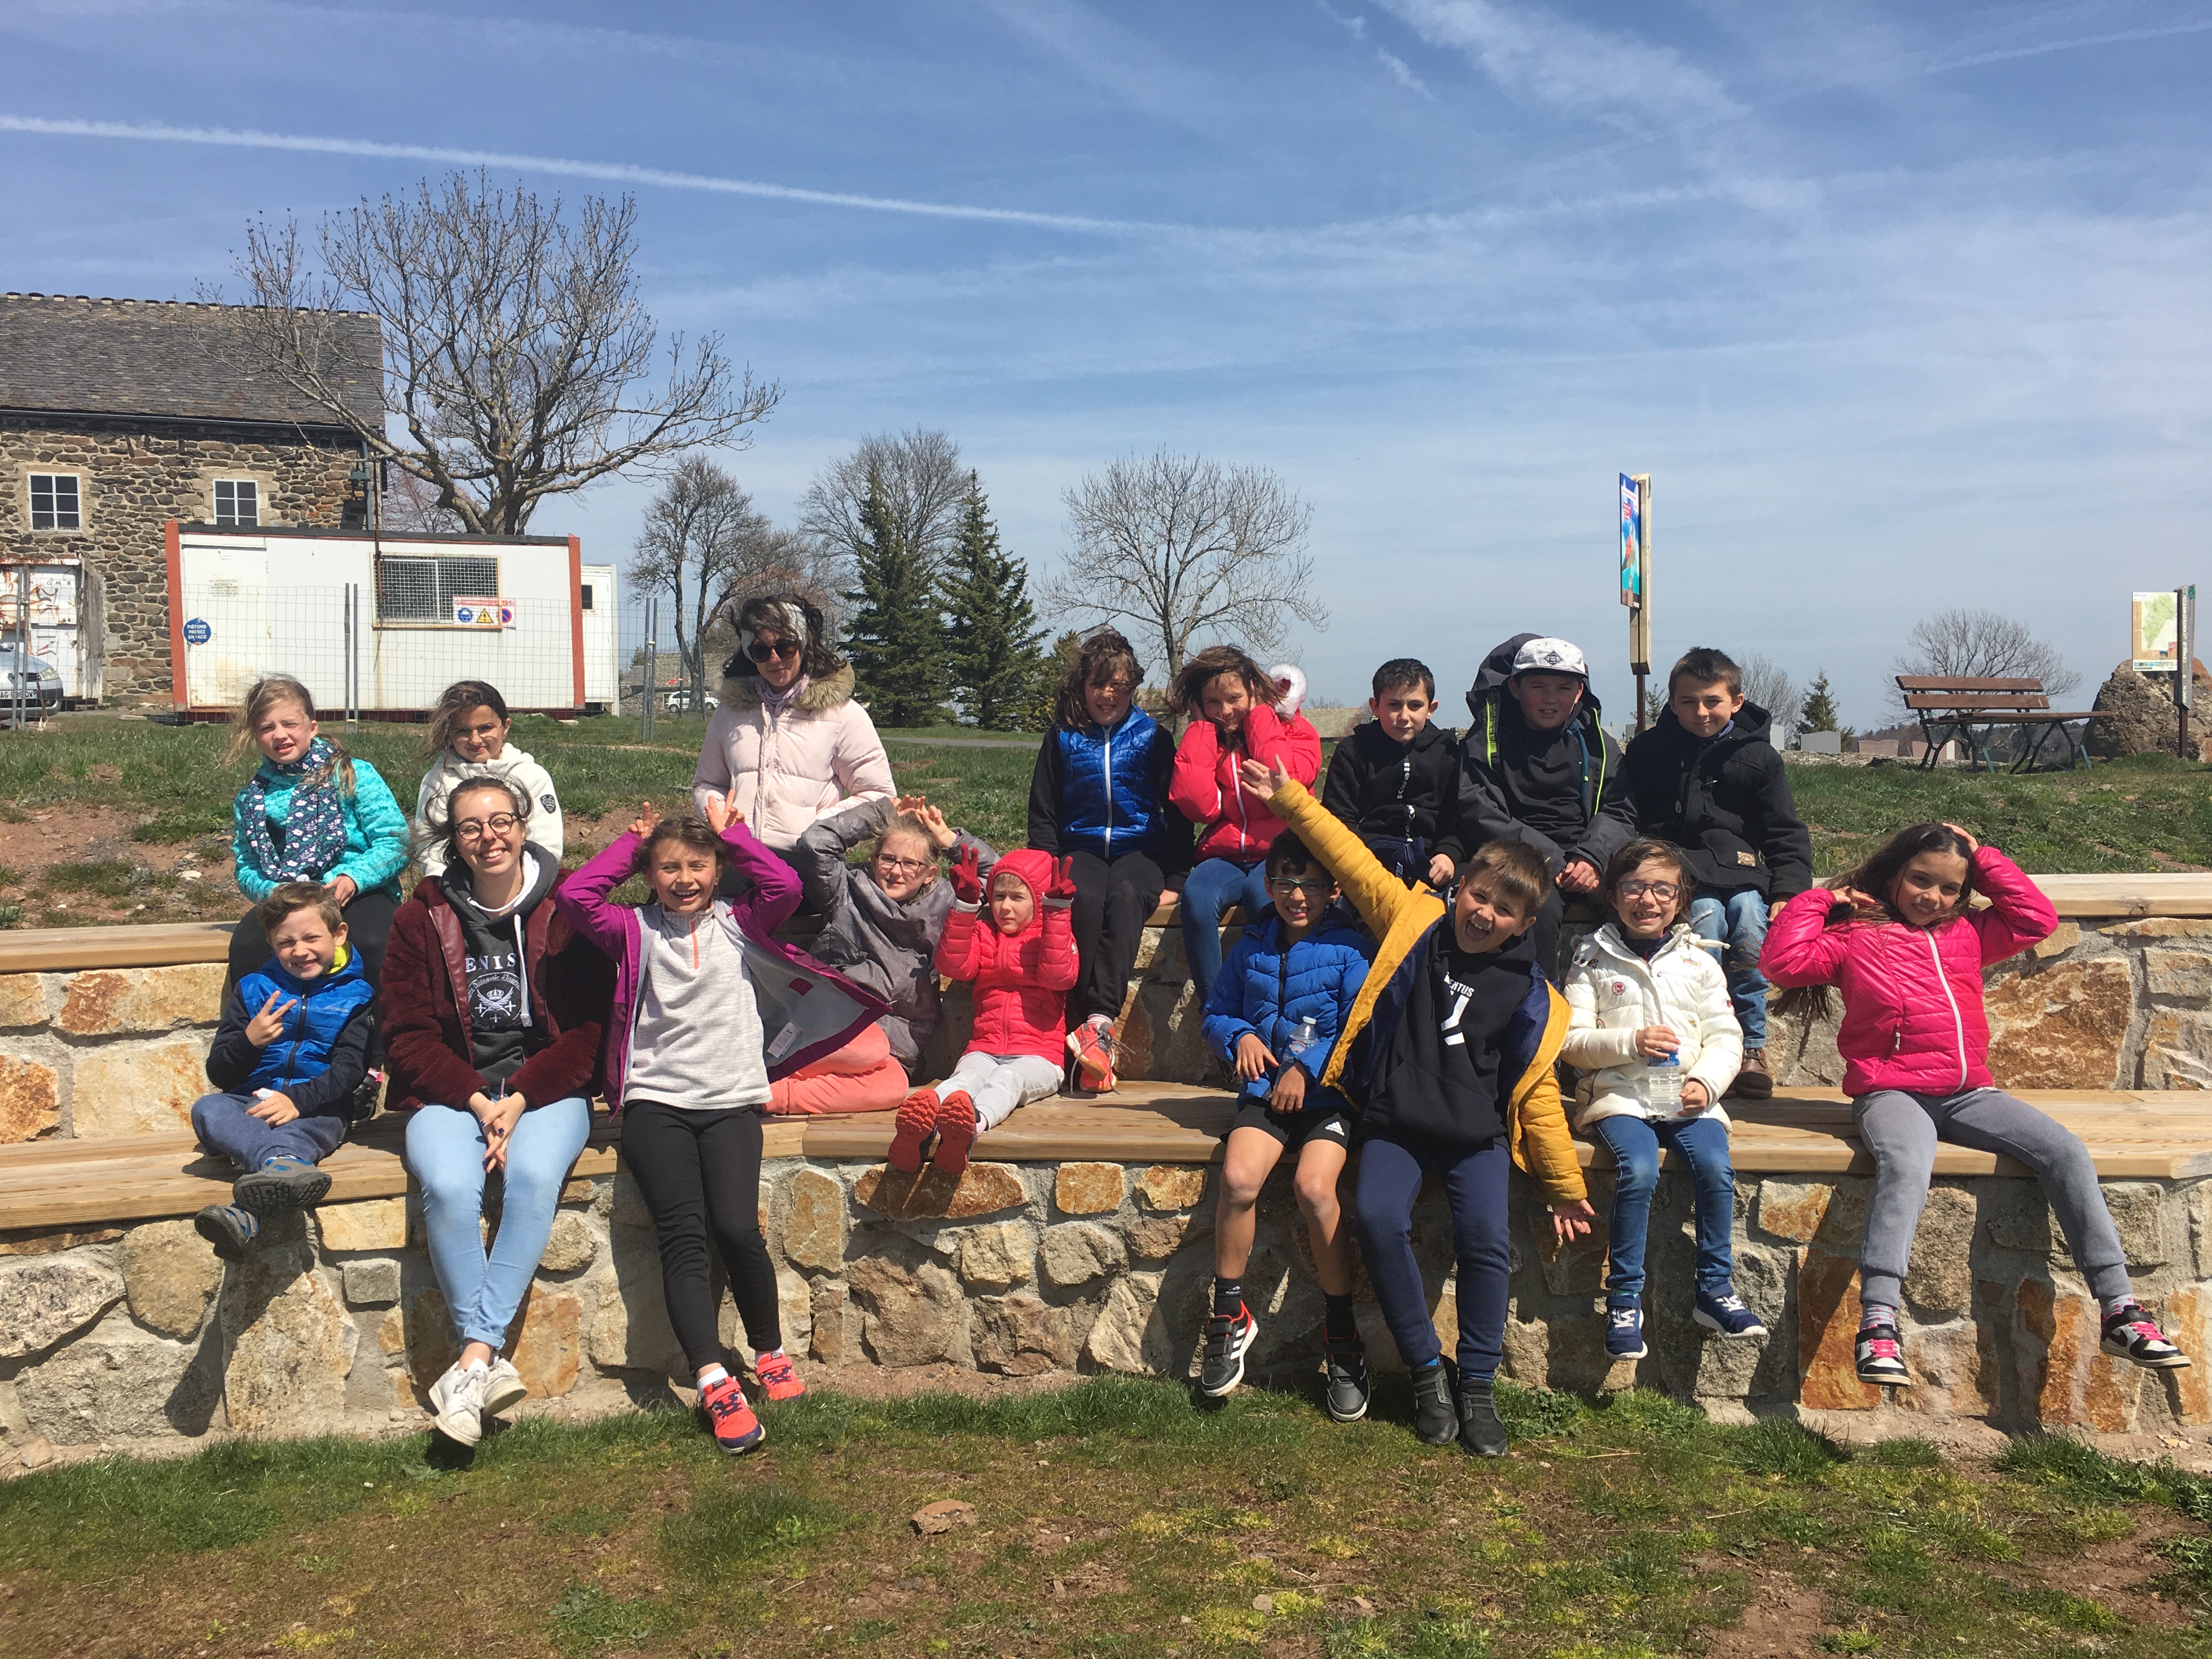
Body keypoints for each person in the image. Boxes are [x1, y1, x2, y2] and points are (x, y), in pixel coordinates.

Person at [1240, 754, 1595, 1455]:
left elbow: (1541, 1096)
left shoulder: (1533, 998)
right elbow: (1350, 858)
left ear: (1525, 926)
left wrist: (1562, 1183)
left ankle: (1480, 1385)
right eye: (1479, 896)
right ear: (1459, 887)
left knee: (1487, 1244)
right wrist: (1289, 798)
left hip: (1475, 1139)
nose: (1485, 914)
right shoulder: (1413, 924)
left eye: (1505, 909)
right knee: (1374, 1217)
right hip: (1394, 1125)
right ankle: (1428, 1373)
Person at [1762, 822, 2190, 1386]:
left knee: (2064, 1150)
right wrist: (1821, 900)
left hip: (1969, 1094)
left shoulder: (1969, 933)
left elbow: (2037, 918)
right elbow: (1783, 964)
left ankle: (2120, 1309)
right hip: (1892, 1093)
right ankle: (1878, 1323)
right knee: (1909, 1164)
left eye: (1948, 889)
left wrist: (1982, 856)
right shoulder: (1856, 937)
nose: (1932, 897)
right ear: (1894, 875)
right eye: (1920, 881)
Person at [556, 797, 884, 1454]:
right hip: (657, 1104)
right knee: (684, 1237)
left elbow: (785, 885)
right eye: (669, 867)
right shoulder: (633, 928)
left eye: (698, 865)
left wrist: (735, 836)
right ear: (650, 875)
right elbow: (575, 896)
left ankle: (769, 1354)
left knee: (737, 1228)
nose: (684, 878)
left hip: (733, 1100)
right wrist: (631, 842)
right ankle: (713, 1379)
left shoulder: (741, 921)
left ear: (716, 868)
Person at [386, 776, 612, 1448]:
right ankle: (484, 1360)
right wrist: (483, 1101)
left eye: (501, 821)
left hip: (545, 1092)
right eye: (470, 827)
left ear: (524, 825)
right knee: (452, 1186)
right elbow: (407, 1036)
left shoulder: (568, 911)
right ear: (451, 840)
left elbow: (589, 1031)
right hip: (452, 1093)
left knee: (534, 1179)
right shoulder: (417, 918)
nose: (489, 837)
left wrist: (518, 1100)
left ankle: (469, 1365)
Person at [1561, 839, 1764, 1362]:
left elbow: (1726, 1034)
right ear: (1613, 894)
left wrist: (1709, 1082)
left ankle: (1715, 1289)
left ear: (1680, 899)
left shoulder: (1700, 961)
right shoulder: (1591, 959)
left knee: (1716, 1166)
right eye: (1634, 887)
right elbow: (1571, 1042)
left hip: (1688, 1096)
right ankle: (1624, 1298)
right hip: (1620, 1095)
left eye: (1662, 889)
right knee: (1640, 1169)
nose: (1647, 900)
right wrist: (1629, 1043)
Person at [1197, 831, 1375, 1416]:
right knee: (1240, 1181)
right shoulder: (1249, 947)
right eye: (1286, 883)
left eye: (1312, 884)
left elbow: (1357, 1027)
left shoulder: (1351, 949)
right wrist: (1239, 1035)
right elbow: (1216, 1012)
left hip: (1326, 1099)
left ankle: (1342, 1337)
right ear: (1268, 886)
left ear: (1334, 889)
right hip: (1263, 1093)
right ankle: (1229, 1315)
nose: (1298, 895)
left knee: (1314, 1190)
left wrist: (1307, 1068)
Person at [1624, 647, 1812, 1101]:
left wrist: (1789, 891)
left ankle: (1751, 1047)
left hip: (1741, 871)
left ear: (1737, 702)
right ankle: (1704, 1046)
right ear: (1670, 703)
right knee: (1705, 920)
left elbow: (1784, 831)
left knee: (1749, 920)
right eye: (1688, 701)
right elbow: (1628, 816)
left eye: (1712, 701)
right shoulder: (1649, 751)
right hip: (1679, 871)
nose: (1701, 712)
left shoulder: (1758, 757)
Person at [1028, 628, 1190, 1093]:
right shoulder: (1062, 738)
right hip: (1080, 847)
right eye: (1100, 684)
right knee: (1085, 897)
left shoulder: (1151, 737)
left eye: (1120, 686)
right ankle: (1077, 1024)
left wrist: (1177, 876)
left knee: (1124, 895)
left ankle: (1099, 1023)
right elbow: (1043, 813)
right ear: (1083, 687)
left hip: (1140, 848)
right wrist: (1047, 868)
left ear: (1133, 687)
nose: (1109, 695)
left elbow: (1176, 810)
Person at [782, 794, 999, 1114]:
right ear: (873, 861)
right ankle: (773, 1081)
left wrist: (950, 839)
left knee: (894, 1089)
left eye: (910, 864)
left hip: (900, 1035)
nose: (896, 872)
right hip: (839, 1022)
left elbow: (999, 877)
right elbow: (816, 843)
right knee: (867, 1050)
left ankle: (773, 1095)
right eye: (888, 859)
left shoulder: (944, 902)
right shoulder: (846, 890)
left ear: (929, 873)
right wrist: (878, 815)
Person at [189, 884, 374, 1260]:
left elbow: (349, 1070)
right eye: (286, 942)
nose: (300, 950)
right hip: (251, 1102)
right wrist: (249, 1041)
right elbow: (220, 1073)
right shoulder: (254, 989)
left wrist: (296, 1101)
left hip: (316, 1108)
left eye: (311, 938)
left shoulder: (357, 996)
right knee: (208, 1108)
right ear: (272, 943)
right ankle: (280, 1165)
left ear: (338, 935)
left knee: (308, 1129)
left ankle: (245, 1213)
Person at [1454, 636, 1637, 977]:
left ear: (1580, 692)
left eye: (1564, 688)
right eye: (1538, 686)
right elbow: (1478, 810)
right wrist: (1549, 858)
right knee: (1537, 909)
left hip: (1588, 858)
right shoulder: (1486, 741)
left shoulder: (1599, 743)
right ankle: (1542, 1004)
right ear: (1514, 687)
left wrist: (1591, 857)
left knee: (1633, 898)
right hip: (1518, 857)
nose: (1551, 699)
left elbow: (1620, 809)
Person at [894, 849, 1079, 1175]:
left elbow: (1059, 975)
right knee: (965, 1078)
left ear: (1038, 900)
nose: (1005, 907)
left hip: (1040, 1057)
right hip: (984, 1047)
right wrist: (965, 907)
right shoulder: (984, 932)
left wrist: (1057, 913)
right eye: (998, 896)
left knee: (1009, 1079)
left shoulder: (1051, 934)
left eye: (1018, 898)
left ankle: (970, 1126)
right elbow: (955, 966)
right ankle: (921, 1129)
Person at [225, 674, 410, 994]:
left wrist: (354, 878)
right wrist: (274, 893)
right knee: (248, 946)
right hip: (288, 897)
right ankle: (262, 1035)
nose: (280, 735)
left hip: (355, 891)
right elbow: (246, 866)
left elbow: (395, 841)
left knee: (374, 941)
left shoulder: (353, 774)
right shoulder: (252, 799)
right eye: (267, 728)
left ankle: (380, 1039)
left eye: (289, 724)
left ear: (312, 726)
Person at [1169, 646, 1322, 1007]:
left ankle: (1270, 1004)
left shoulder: (1295, 730)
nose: (1224, 711)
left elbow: (1286, 782)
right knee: (1198, 896)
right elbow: (1199, 806)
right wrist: (1201, 731)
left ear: (1255, 691)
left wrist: (1259, 721)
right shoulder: (1210, 738)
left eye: (1235, 699)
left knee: (1264, 895)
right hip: (1224, 857)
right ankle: (1216, 1011)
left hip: (1278, 851)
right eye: (1212, 703)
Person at [691, 593, 895, 862]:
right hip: (739, 857)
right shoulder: (730, 713)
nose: (774, 659)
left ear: (804, 645)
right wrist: (723, 819)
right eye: (761, 651)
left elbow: (880, 797)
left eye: (785, 647)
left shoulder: (843, 713)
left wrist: (820, 829)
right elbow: (707, 783)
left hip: (809, 861)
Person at [1321, 657, 1461, 888]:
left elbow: (1456, 819)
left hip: (1432, 858)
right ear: (1375, 707)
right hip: (1367, 858)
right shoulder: (1353, 751)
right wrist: (1368, 856)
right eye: (1394, 705)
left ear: (1431, 709)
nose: (1404, 716)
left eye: (1415, 706)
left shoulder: (1448, 754)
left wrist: (1449, 853)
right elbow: (1339, 819)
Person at [412, 680, 565, 881]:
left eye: (485, 728)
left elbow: (547, 845)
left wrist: (526, 890)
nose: (475, 740)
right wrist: (453, 895)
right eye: (463, 731)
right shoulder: (438, 780)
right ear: (449, 733)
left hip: (522, 885)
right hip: (459, 887)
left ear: (505, 727)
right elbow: (432, 850)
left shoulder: (532, 777)